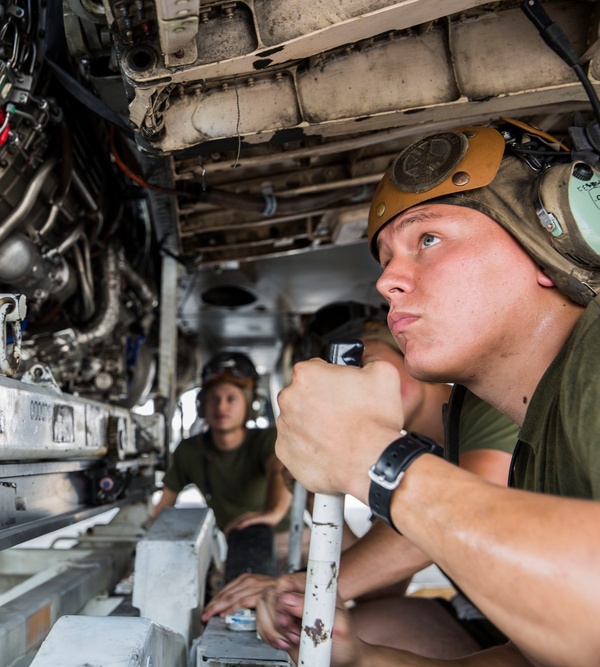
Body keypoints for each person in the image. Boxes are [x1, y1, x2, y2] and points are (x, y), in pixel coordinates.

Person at [257, 119, 600, 667]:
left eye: (428, 238)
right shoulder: (535, 430)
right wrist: (363, 660)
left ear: (545, 246)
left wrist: (371, 460)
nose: (387, 279)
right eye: (388, 257)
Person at [204, 303, 519, 659]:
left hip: (560, 628)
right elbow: (381, 587)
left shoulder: (483, 406)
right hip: (488, 622)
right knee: (311, 642)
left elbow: (460, 515)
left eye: (367, 361)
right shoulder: (403, 459)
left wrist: (315, 586)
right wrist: (315, 495)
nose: (362, 379)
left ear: (403, 350)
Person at [150, 351, 292, 583]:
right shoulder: (190, 451)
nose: (221, 406)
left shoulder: (266, 439)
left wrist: (272, 515)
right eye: (213, 398)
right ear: (202, 404)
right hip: (240, 543)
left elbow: (279, 471)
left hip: (288, 536)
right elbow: (166, 503)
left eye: (231, 398)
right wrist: (145, 546)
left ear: (249, 404)